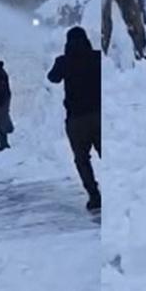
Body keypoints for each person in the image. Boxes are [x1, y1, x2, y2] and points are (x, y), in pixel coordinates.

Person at [47, 26, 102, 211]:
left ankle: (94, 195)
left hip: (76, 119)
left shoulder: (64, 61)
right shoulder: (97, 57)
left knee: (82, 159)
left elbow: (52, 78)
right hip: (98, 115)